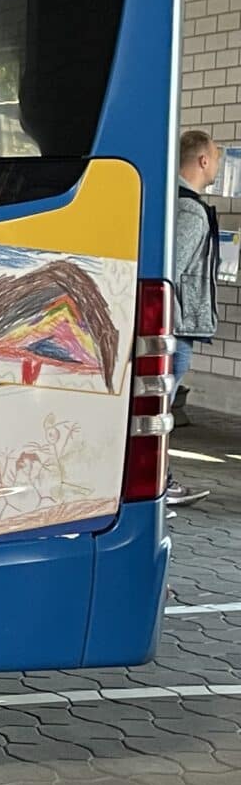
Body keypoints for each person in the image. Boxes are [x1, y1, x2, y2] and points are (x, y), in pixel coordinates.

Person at [170, 129, 222, 508]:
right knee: (159, 411)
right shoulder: (190, 209)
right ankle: (161, 483)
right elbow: (170, 269)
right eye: (216, 156)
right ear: (203, 160)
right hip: (176, 326)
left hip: (170, 325)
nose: (217, 164)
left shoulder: (169, 198)